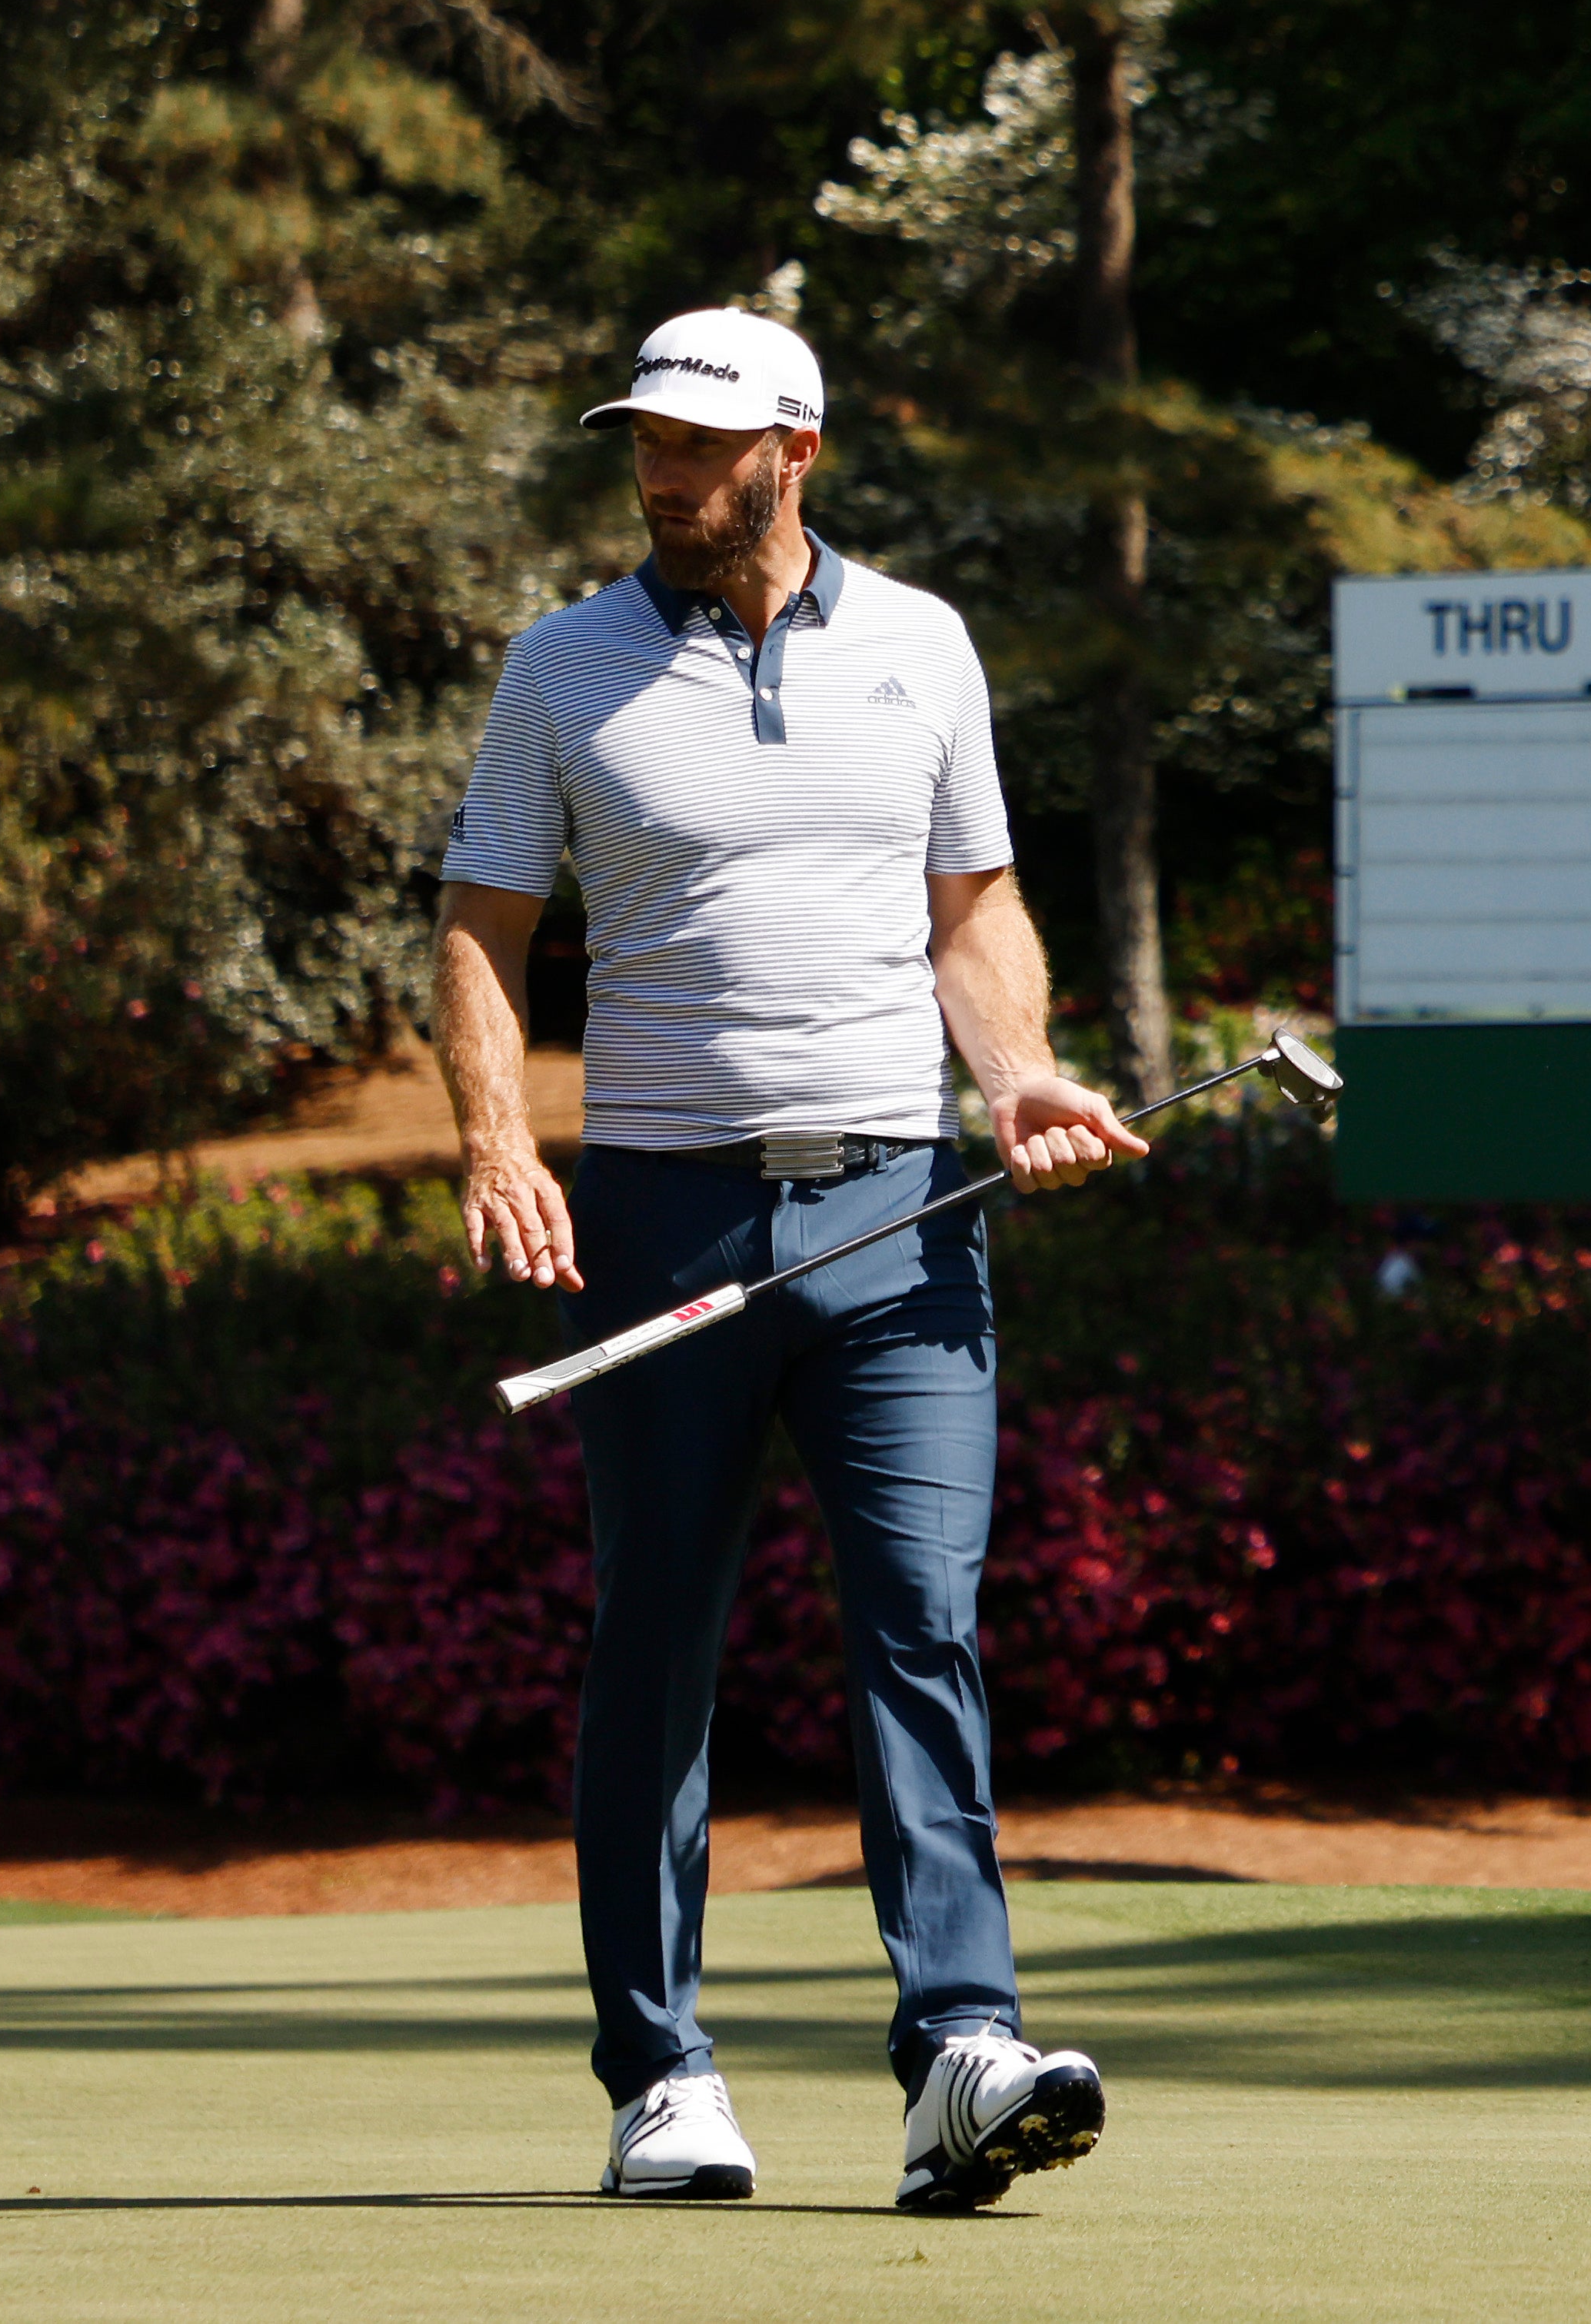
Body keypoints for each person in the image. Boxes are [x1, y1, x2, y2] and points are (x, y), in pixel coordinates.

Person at [434, 306, 1143, 2212]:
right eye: (643, 441)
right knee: (658, 1637)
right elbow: (482, 921)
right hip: (666, 1206)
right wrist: (502, 1138)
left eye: (698, 443)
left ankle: (960, 2049)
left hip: (901, 1208)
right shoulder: (560, 666)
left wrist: (1016, 1078)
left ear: (794, 450)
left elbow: (971, 904)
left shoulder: (921, 645)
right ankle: (660, 2072)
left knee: (921, 1619)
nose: (662, 471)